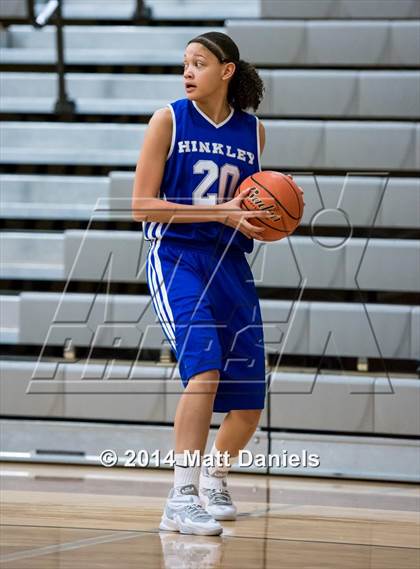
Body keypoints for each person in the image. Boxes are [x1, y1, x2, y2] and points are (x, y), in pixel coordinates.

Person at [132, 31, 273, 536]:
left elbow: (251, 205)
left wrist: (264, 220)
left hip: (231, 265)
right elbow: (140, 205)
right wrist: (221, 212)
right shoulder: (168, 118)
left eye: (199, 63)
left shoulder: (253, 132)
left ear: (226, 70)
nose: (188, 72)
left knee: (250, 401)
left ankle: (214, 479)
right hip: (178, 259)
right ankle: (181, 495)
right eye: (184, 64)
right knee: (204, 374)